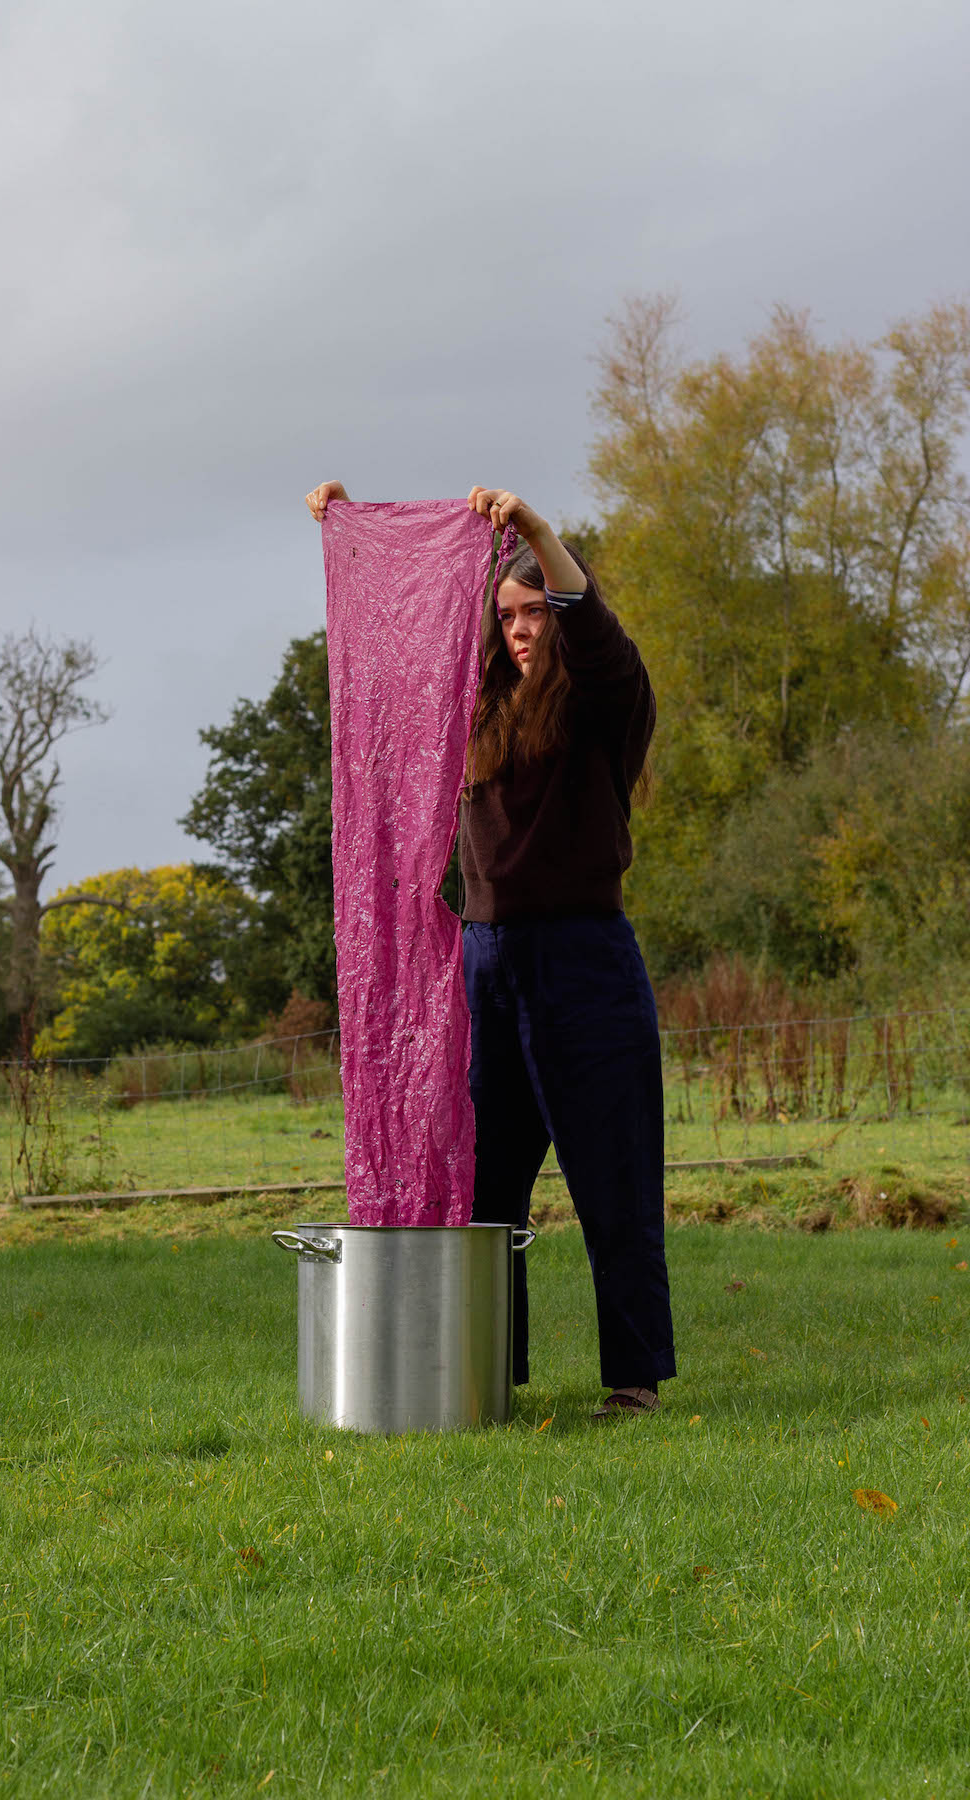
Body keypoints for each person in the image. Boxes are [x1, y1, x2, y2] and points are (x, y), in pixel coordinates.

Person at [306, 481, 675, 1421]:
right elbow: (393, 662)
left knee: (613, 1179)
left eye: (534, 613)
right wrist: (346, 537)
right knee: (483, 1190)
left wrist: (539, 535)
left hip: (585, 963)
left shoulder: (606, 711)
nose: (521, 630)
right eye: (506, 615)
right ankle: (486, 1376)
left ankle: (632, 1385)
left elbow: (597, 637)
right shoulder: (469, 719)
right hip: (485, 966)